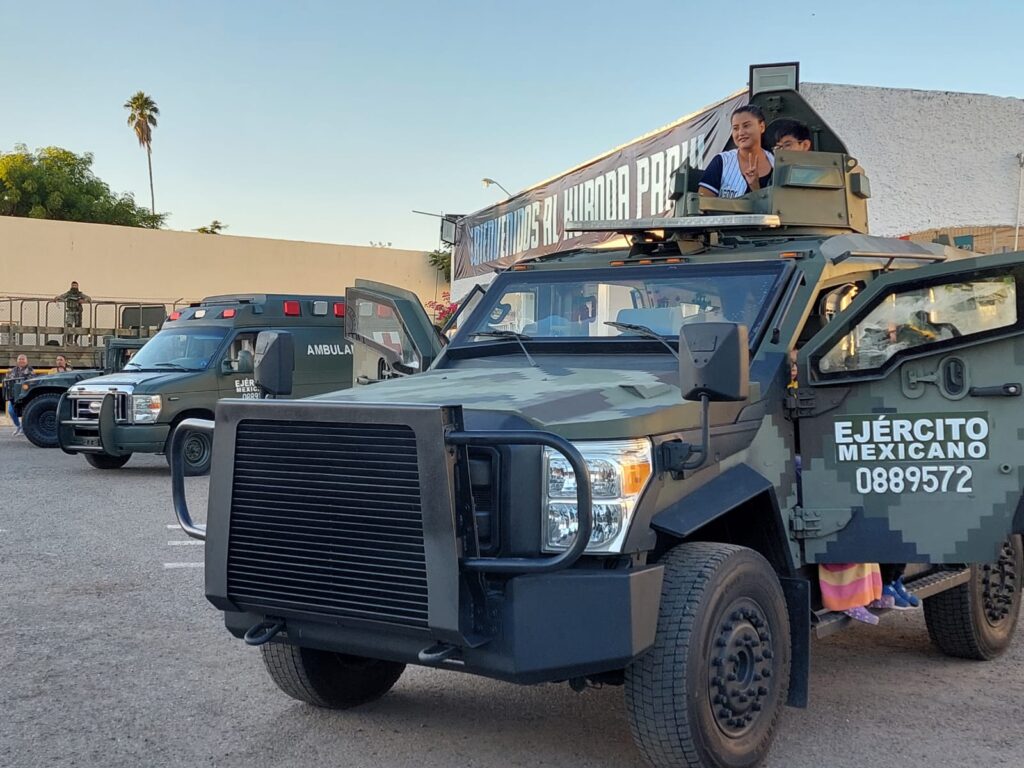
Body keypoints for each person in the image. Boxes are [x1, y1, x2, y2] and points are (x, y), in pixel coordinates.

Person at [699, 105, 774, 199]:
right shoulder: (722, 161)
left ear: (761, 127)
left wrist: (755, 187)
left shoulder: (775, 161)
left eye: (746, 126)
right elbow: (702, 203)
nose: (741, 133)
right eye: (735, 128)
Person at [4, 354, 34, 436]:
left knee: (25, 411)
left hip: (25, 395)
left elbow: (30, 381)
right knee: (11, 411)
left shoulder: (30, 370)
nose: (21, 361)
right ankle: (18, 426)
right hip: (14, 395)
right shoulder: (13, 370)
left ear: (26, 361)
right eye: (20, 359)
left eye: (23, 359)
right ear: (17, 361)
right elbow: (8, 379)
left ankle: (24, 428)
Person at [55, 281, 92, 345]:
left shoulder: (80, 294)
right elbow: (62, 297)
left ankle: (75, 340)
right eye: (73, 285)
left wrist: (83, 301)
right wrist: (57, 298)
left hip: (78, 312)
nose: (74, 287)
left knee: (78, 326)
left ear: (77, 286)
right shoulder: (68, 294)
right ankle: (69, 341)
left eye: (75, 286)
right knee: (69, 326)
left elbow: (89, 298)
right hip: (70, 311)